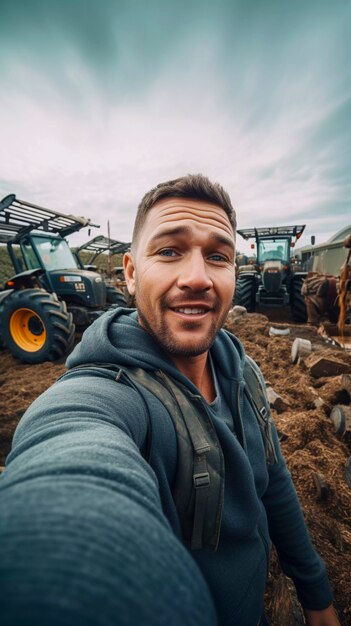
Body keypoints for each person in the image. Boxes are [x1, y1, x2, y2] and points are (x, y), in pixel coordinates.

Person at [0, 175, 340, 626]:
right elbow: (72, 453)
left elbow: (272, 479)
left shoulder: (246, 373)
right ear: (130, 270)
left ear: (233, 273)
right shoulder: (106, 397)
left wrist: (316, 593)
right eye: (168, 251)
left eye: (218, 256)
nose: (197, 278)